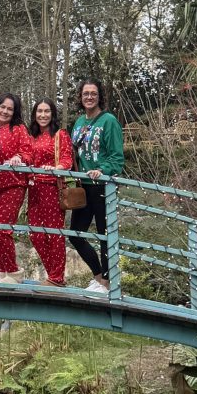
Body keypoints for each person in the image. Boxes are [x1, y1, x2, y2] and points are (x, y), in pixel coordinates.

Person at [69, 78, 125, 292]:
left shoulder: (109, 121)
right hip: (83, 185)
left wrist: (102, 170)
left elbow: (117, 158)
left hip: (102, 185)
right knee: (75, 233)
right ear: (80, 97)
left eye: (93, 93)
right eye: (85, 94)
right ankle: (99, 276)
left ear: (100, 96)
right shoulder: (79, 123)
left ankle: (110, 282)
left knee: (105, 234)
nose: (89, 97)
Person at [0, 94, 33, 282]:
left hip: (12, 184)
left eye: (10, 109)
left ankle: (13, 272)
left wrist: (19, 158)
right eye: (2, 107)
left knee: (2, 229)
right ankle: (3, 270)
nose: (5, 111)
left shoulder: (18, 129)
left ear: (15, 112)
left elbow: (28, 152)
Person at [27, 98, 73, 286]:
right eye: (39, 111)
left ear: (53, 114)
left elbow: (67, 159)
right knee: (35, 234)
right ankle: (52, 275)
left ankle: (57, 278)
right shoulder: (32, 135)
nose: (43, 115)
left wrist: (56, 167)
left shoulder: (60, 134)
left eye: (47, 111)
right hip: (33, 188)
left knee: (54, 233)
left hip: (52, 187)